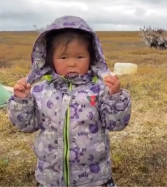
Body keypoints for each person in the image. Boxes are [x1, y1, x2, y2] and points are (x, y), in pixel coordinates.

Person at [7, 16, 131, 186]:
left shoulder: (100, 90)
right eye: (63, 58)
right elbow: (27, 125)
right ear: (50, 60)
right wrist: (22, 101)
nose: (72, 63)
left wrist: (115, 96)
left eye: (80, 57)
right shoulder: (40, 90)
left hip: (93, 179)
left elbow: (116, 124)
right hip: (49, 178)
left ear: (92, 58)